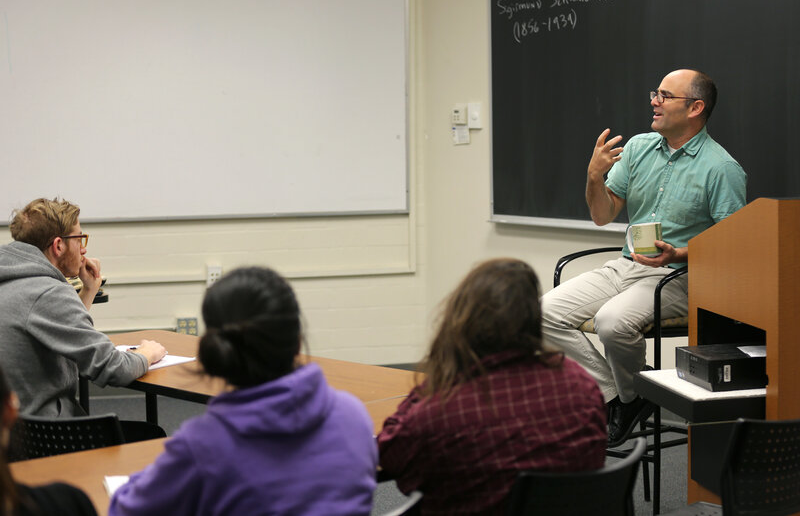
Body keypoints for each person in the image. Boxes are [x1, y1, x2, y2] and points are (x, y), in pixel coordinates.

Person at [541, 69, 747, 447]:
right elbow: (603, 215)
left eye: (665, 96)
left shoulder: (722, 168)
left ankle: (631, 393)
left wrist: (680, 252)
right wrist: (593, 177)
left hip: (677, 276)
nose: (654, 101)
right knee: (539, 315)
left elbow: (735, 248)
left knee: (611, 322)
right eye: (656, 92)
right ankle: (625, 395)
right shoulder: (638, 148)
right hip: (625, 265)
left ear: (695, 108)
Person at [109, 266, 378, 516]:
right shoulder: (354, 417)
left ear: (218, 354)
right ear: (297, 341)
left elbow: (127, 509)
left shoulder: (202, 446)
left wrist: (143, 479)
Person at [377, 258, 607, 515]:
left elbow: (389, 454)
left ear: (464, 321)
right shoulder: (581, 385)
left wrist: (436, 381)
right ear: (532, 318)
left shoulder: (443, 410)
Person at [0, 197, 166, 417]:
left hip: (12, 433)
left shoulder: (13, 277)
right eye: (80, 239)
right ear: (59, 245)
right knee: (151, 435)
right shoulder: (49, 291)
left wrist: (89, 290)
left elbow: (56, 325)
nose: (83, 250)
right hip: (47, 436)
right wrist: (147, 354)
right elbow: (113, 368)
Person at [0, 365, 98, 516]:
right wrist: (146, 353)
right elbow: (112, 365)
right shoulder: (69, 504)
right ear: (11, 408)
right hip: (64, 436)